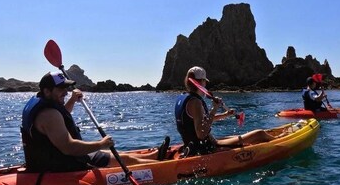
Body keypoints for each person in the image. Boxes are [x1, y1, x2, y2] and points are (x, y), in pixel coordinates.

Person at [21, 71, 166, 173]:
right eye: (60, 89)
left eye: (66, 88)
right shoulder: (48, 114)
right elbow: (68, 147)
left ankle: (155, 157)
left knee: (125, 157)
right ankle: (165, 167)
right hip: (63, 164)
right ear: (47, 91)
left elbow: (59, 119)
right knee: (118, 160)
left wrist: (72, 101)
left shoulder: (46, 106)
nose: (65, 92)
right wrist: (101, 143)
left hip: (68, 157)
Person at [174, 66, 277, 156]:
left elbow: (200, 121)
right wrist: (214, 109)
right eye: (205, 81)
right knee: (259, 134)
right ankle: (282, 144)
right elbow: (201, 134)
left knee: (236, 137)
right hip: (207, 148)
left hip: (193, 145)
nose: (205, 84)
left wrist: (225, 114)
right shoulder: (196, 102)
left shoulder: (183, 98)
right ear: (201, 82)